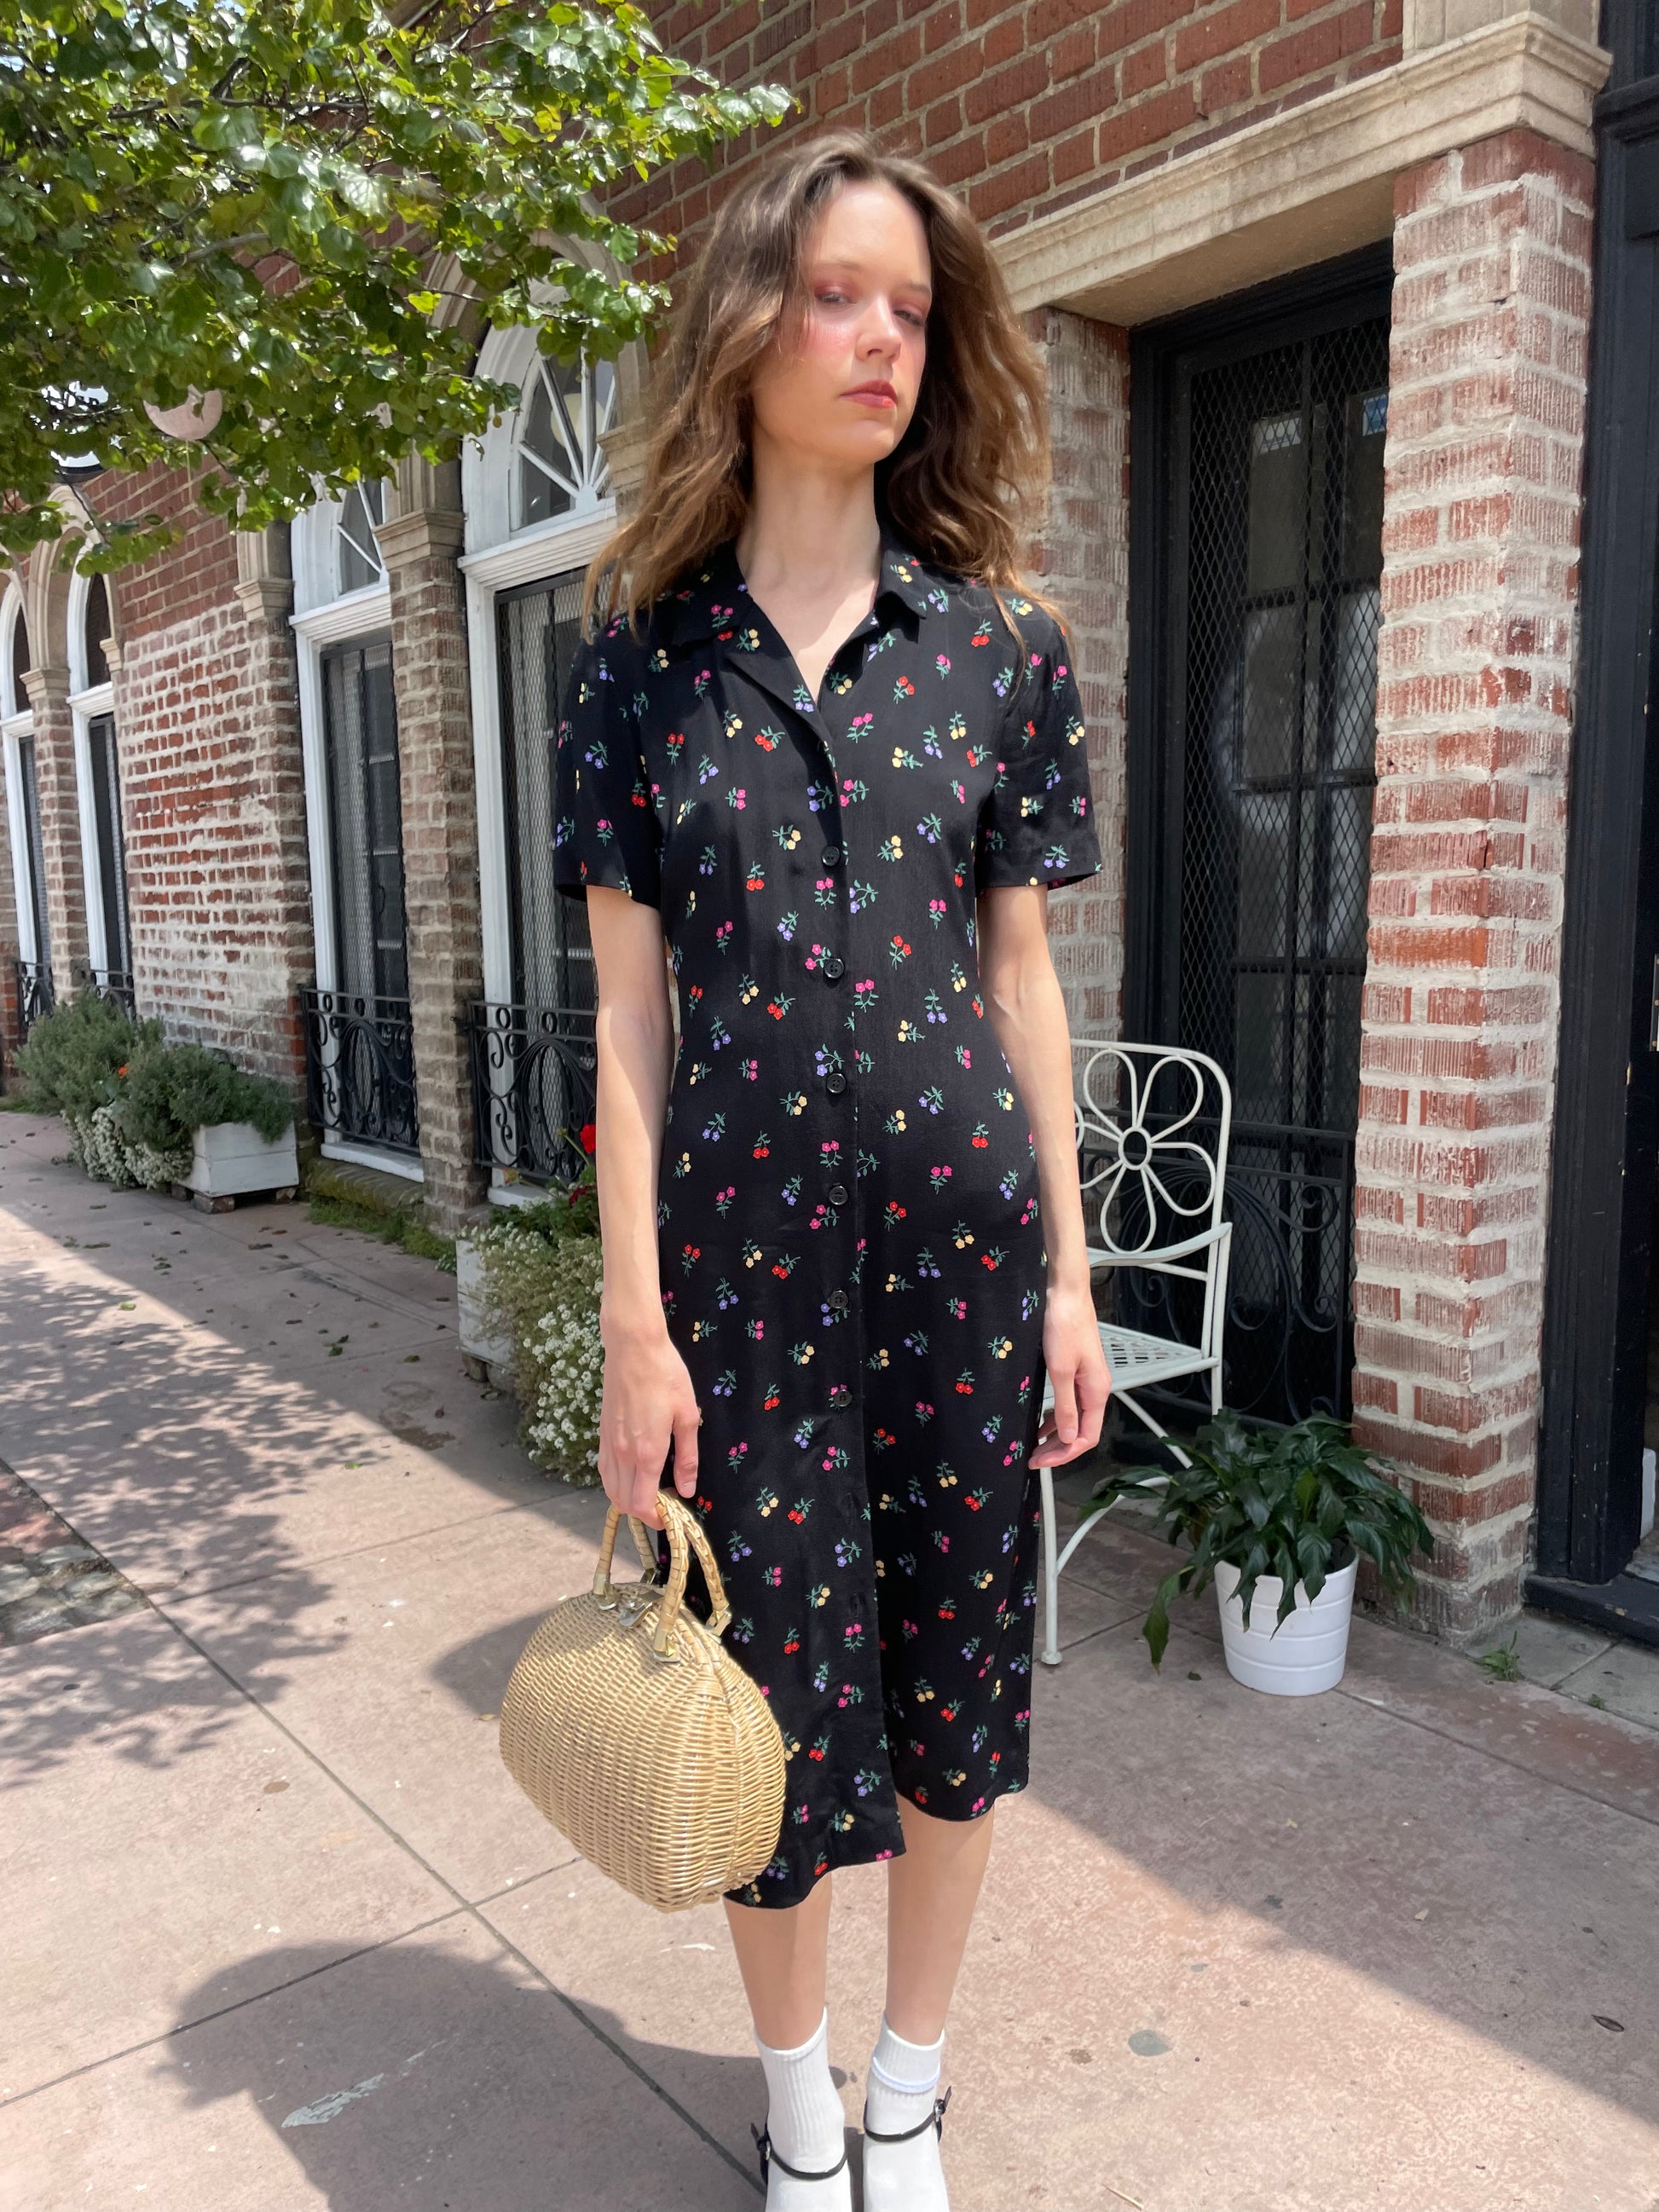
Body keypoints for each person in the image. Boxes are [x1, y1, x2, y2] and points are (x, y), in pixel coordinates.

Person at [552, 128, 1113, 2212]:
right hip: (736, 1283)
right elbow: (624, 1016)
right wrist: (630, 1323)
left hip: (967, 1261)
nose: (882, 337)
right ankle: (797, 2115)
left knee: (963, 1684)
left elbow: (1027, 979)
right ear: (746, 326)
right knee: (761, 1712)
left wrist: (1068, 1273)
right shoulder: (634, 659)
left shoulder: (1001, 652)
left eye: (911, 305)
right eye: (835, 294)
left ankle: (908, 2095)